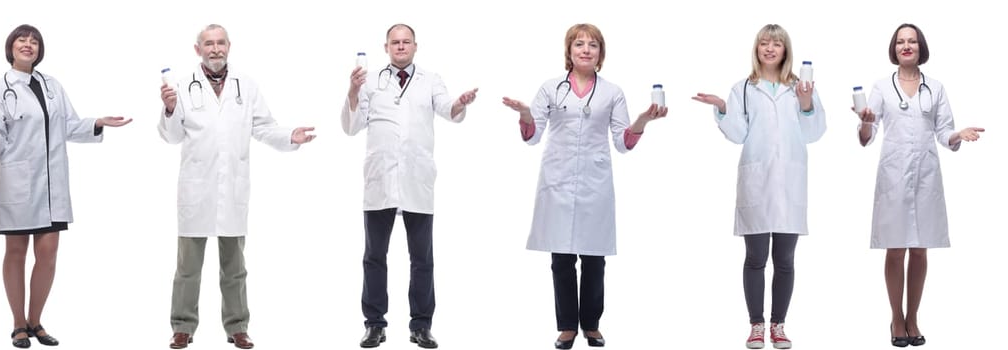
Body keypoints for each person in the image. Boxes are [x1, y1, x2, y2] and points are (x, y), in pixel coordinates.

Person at [501, 23, 667, 350]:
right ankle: (566, 328)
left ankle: (591, 325)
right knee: (561, 258)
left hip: (595, 181)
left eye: (593, 45)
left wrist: (643, 121)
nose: (586, 50)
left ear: (601, 53)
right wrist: (524, 115)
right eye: (579, 44)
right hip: (558, 180)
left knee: (594, 259)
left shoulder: (612, 92)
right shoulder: (552, 88)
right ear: (569, 51)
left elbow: (622, 141)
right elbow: (533, 136)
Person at [0, 24, 133, 349]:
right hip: (17, 183)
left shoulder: (52, 86)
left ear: (39, 50)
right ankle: (18, 324)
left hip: (52, 185)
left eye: (34, 41)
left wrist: (98, 123)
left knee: (48, 254)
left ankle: (36, 320)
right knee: (16, 253)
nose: (28, 45)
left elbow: (69, 125)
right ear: (11, 47)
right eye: (22, 40)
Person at [159, 24, 316, 350]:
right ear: (197, 49)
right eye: (208, 44)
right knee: (188, 268)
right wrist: (170, 109)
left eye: (220, 43)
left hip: (232, 190)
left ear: (229, 46)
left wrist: (290, 136)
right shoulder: (181, 87)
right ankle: (182, 327)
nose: (215, 49)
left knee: (235, 267)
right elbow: (171, 136)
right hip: (196, 190)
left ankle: (237, 326)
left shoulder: (246, 86)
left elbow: (263, 127)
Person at [341, 23, 479, 349]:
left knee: (422, 259)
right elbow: (351, 126)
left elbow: (448, 110)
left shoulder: (431, 80)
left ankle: (421, 325)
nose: (401, 47)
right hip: (380, 181)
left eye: (406, 42)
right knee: (374, 256)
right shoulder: (369, 80)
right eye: (395, 42)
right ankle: (374, 324)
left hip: (417, 181)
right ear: (386, 47)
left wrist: (460, 102)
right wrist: (351, 91)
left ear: (416, 46)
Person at [691, 24, 826, 350]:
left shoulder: (801, 86)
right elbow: (738, 133)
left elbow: (814, 132)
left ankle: (778, 325)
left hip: (790, 181)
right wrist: (723, 107)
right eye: (764, 43)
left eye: (776, 44)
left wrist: (807, 104)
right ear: (757, 48)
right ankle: (756, 325)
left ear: (785, 50)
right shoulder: (744, 88)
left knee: (785, 258)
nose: (769, 48)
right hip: (757, 180)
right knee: (755, 257)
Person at [853, 23, 983, 348]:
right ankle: (896, 318)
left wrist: (958, 135)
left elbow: (944, 131)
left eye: (912, 41)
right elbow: (867, 135)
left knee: (920, 248)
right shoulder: (882, 87)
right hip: (893, 177)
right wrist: (866, 122)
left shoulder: (935, 88)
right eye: (900, 42)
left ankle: (914, 318)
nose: (906, 46)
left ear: (920, 46)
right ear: (894, 48)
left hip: (926, 176)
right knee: (895, 248)